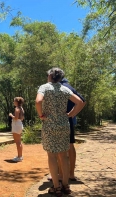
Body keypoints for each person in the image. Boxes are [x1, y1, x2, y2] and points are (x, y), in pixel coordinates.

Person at [35, 68, 85, 197]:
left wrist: (41, 115)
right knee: (64, 155)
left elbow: (38, 101)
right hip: (64, 125)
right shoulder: (65, 89)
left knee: (52, 156)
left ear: (51, 75)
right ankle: (66, 186)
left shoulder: (44, 87)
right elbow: (80, 102)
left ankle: (56, 188)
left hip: (49, 125)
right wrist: (70, 114)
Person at [48, 78, 86, 182]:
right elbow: (82, 101)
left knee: (60, 149)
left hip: (61, 122)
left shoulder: (59, 88)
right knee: (70, 146)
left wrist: (70, 114)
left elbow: (81, 102)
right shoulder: (70, 87)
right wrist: (72, 114)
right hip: (69, 121)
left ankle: (60, 175)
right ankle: (71, 174)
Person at [9, 97, 25, 162]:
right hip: (19, 124)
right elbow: (22, 118)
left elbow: (15, 118)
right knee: (19, 141)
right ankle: (20, 155)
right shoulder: (21, 108)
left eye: (14, 101)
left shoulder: (17, 108)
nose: (13, 102)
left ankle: (19, 157)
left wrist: (11, 115)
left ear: (17, 102)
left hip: (16, 125)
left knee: (17, 142)